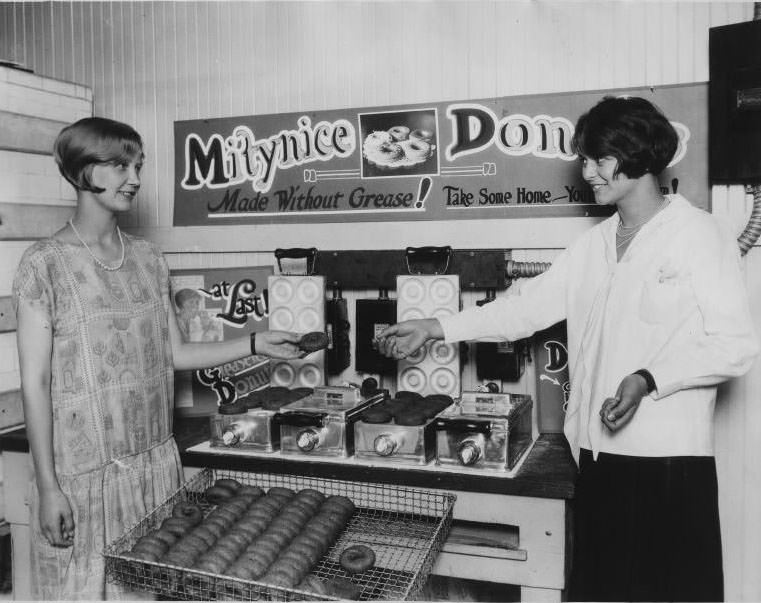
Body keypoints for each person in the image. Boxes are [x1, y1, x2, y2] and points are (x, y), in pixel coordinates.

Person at [375, 96, 759, 602]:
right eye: (585, 159)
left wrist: (648, 378)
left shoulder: (699, 234)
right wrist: (436, 327)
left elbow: (734, 345)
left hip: (667, 467)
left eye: (599, 159)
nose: (587, 171)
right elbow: (524, 309)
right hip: (596, 461)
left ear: (639, 156)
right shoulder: (595, 244)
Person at [12, 117, 306, 600]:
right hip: (82, 482)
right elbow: (36, 382)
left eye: (138, 166)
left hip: (152, 472)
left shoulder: (149, 258)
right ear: (83, 171)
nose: (135, 178)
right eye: (120, 165)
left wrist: (257, 343)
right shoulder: (44, 264)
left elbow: (175, 352)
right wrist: (48, 487)